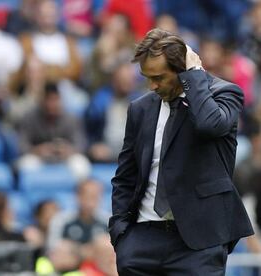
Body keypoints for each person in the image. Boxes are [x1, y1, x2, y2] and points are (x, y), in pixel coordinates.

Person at [109, 28, 254, 275]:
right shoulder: (140, 109)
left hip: (199, 245)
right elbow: (126, 175)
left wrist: (195, 75)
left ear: (181, 70)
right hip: (142, 241)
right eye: (147, 77)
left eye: (159, 77)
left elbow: (210, 125)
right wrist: (121, 234)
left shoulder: (225, 94)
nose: (152, 85)